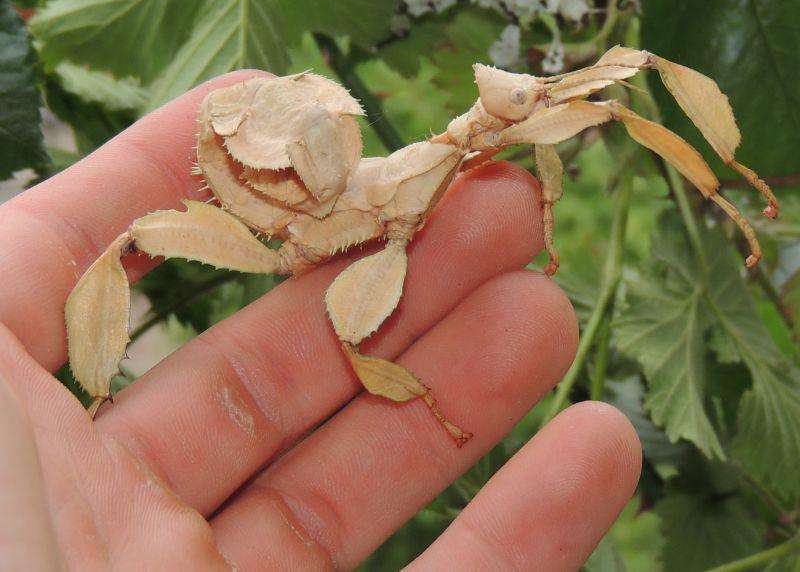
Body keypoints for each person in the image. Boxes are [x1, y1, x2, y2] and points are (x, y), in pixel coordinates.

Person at [0, 71, 641, 570]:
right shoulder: (411, 184)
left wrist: (547, 213)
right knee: (144, 241)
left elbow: (544, 141)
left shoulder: (465, 163)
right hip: (280, 230)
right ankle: (98, 389)